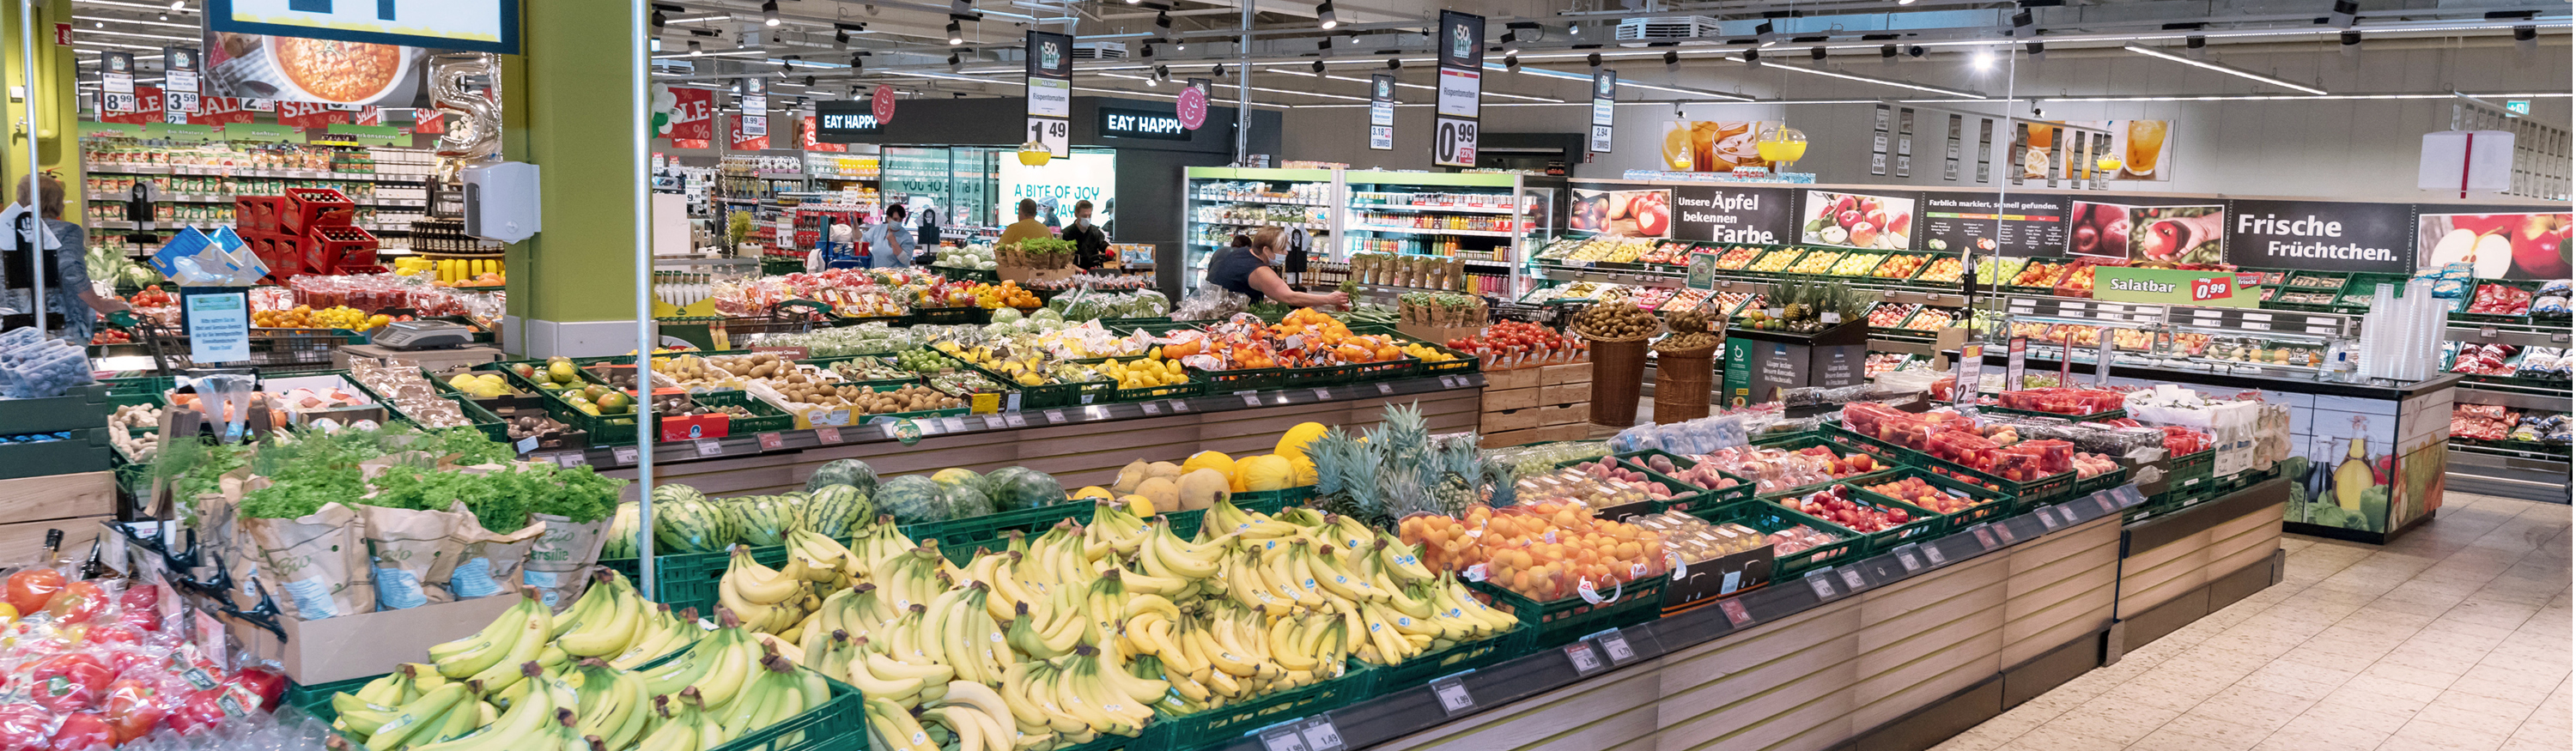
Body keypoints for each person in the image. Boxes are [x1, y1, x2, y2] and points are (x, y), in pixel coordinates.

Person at [13, 174, 125, 343]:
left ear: (21, 200)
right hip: (62, 330)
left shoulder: (7, 232)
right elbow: (72, 272)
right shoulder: (67, 232)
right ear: (57, 203)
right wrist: (101, 305)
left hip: (15, 331)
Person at [1209, 227, 1348, 308]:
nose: (1286, 253)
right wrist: (1329, 299)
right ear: (1266, 251)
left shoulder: (1223, 252)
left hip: (1206, 311)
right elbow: (1290, 297)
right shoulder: (1260, 271)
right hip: (1232, 323)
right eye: (1281, 249)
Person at [862, 203, 915, 268]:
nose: (898, 222)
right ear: (888, 218)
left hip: (896, 276)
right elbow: (862, 240)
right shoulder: (878, 230)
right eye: (895, 219)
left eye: (900, 220)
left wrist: (894, 242)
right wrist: (854, 224)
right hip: (877, 273)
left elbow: (905, 260)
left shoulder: (906, 237)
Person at [1060, 199, 1108, 270]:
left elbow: (1103, 244)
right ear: (1076, 214)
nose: (1087, 219)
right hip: (1073, 273)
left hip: (1094, 272)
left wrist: (1109, 249)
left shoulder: (1095, 232)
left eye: (1089, 216)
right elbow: (1065, 262)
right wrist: (1082, 271)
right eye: (1084, 216)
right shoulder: (1066, 234)